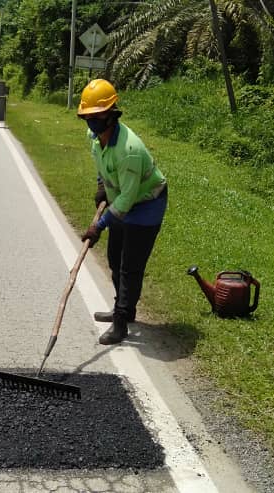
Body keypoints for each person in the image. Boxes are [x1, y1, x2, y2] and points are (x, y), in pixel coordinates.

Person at [77, 79, 168, 345]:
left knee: (130, 267)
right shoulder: (95, 137)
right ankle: (124, 310)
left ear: (112, 115)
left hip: (146, 205)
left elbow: (128, 199)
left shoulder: (129, 150)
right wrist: (100, 187)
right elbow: (101, 164)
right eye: (88, 117)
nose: (92, 121)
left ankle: (121, 324)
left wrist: (98, 226)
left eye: (97, 116)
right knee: (115, 260)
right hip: (121, 201)